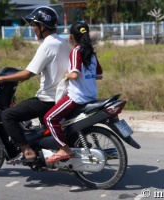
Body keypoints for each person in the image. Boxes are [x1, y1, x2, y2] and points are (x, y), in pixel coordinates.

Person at [0, 6, 70, 163]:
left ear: (42, 26)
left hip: (48, 99)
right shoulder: (63, 42)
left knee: (8, 115)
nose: (33, 29)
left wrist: (2, 79)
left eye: (34, 25)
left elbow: (27, 74)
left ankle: (27, 151)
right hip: (63, 96)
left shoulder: (47, 45)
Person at [44, 21, 103, 163]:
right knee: (64, 121)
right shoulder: (91, 54)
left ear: (71, 37)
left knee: (50, 118)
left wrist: (66, 75)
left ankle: (64, 149)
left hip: (77, 97)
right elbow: (99, 75)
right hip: (91, 96)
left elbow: (75, 75)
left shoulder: (76, 51)